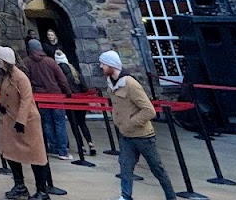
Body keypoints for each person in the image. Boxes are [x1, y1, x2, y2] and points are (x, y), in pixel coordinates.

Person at [100, 50, 177, 200]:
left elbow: (149, 110)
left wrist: (130, 123)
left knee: (157, 168)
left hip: (143, 136)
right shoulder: (111, 84)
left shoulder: (130, 84)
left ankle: (171, 197)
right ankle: (125, 195)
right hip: (126, 135)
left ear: (111, 65)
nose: (101, 66)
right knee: (125, 166)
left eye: (103, 63)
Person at [0, 46, 51, 200]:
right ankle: (20, 186)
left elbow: (26, 100)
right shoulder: (3, 76)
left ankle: (42, 191)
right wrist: (0, 104)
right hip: (9, 119)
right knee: (10, 152)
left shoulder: (20, 77)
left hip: (26, 121)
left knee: (36, 155)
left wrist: (21, 121)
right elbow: (2, 93)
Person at [24, 37, 72, 159]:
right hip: (55, 95)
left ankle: (53, 146)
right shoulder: (50, 62)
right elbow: (61, 78)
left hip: (40, 96)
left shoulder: (27, 62)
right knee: (59, 122)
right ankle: (62, 150)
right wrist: (67, 92)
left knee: (47, 122)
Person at [53, 48, 95, 156]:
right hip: (81, 101)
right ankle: (90, 143)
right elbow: (84, 87)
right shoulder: (74, 70)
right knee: (82, 123)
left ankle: (81, 146)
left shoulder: (59, 72)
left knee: (74, 124)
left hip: (69, 101)